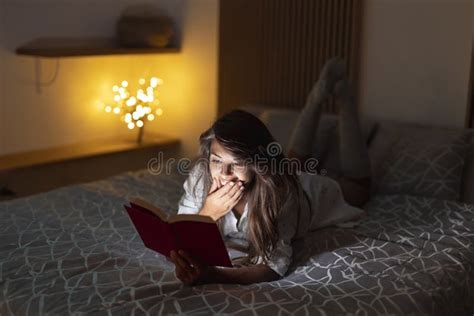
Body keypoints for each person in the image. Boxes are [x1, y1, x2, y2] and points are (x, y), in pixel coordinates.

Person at [169, 58, 372, 286]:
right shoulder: (201, 174)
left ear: (258, 164)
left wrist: (214, 276)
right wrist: (208, 212)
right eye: (217, 160)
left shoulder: (279, 193)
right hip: (282, 173)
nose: (224, 173)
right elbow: (179, 234)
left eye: (237, 163)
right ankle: (317, 97)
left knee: (360, 186)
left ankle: (344, 99)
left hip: (311, 196)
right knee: (293, 160)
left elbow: (274, 266)